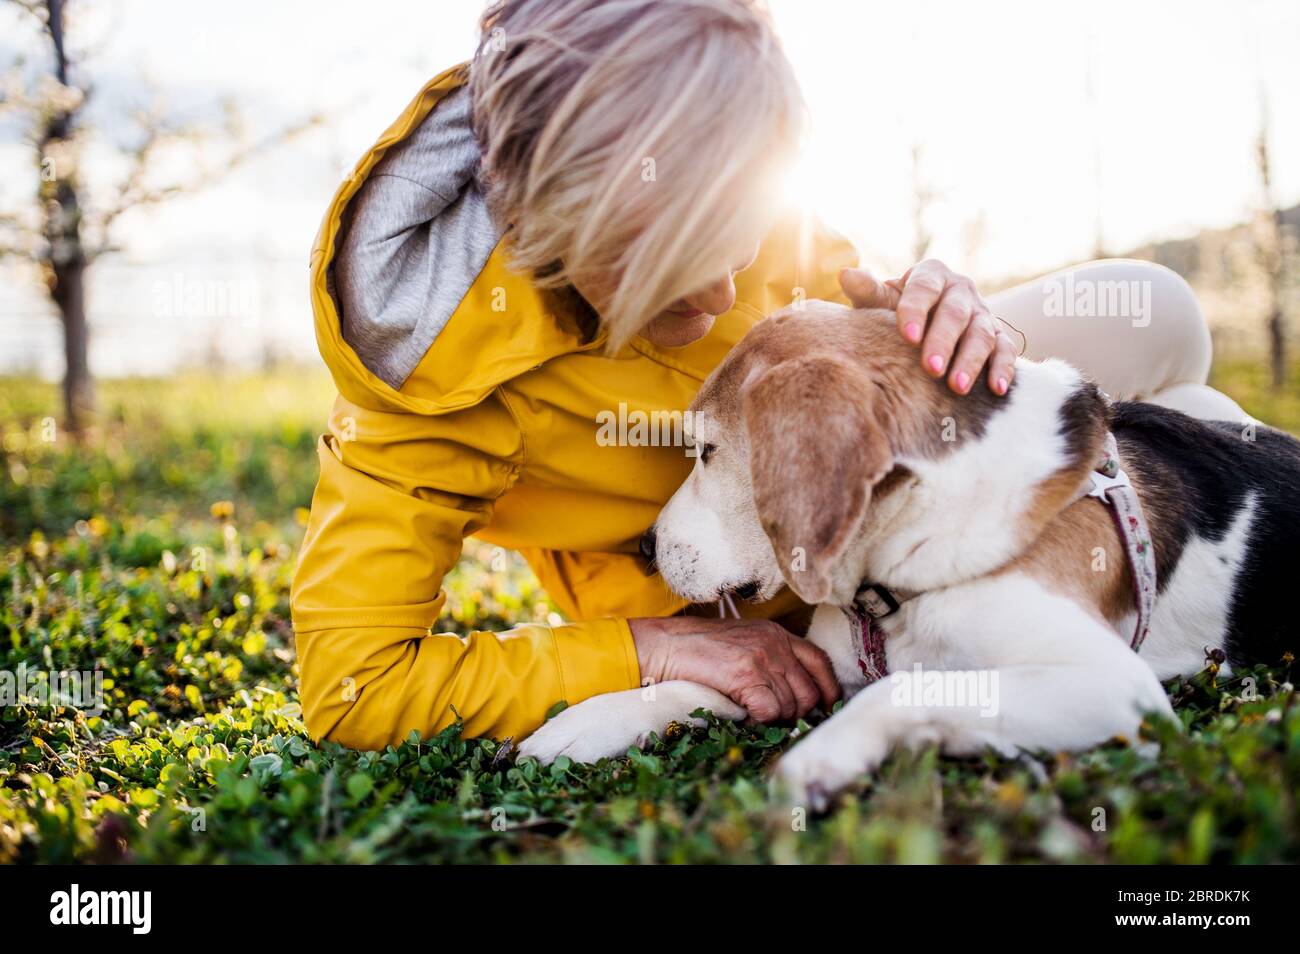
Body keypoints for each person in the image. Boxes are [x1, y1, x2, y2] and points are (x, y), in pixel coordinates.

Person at [291, 0, 1244, 750]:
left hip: (881, 499)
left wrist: (936, 310)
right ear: (554, 223)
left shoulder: (731, 173)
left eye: (738, 234)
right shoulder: (425, 369)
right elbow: (353, 684)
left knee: (1155, 312)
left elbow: (847, 309)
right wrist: (651, 648)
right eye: (671, 266)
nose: (725, 289)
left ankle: (1177, 536)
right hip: (715, 579)